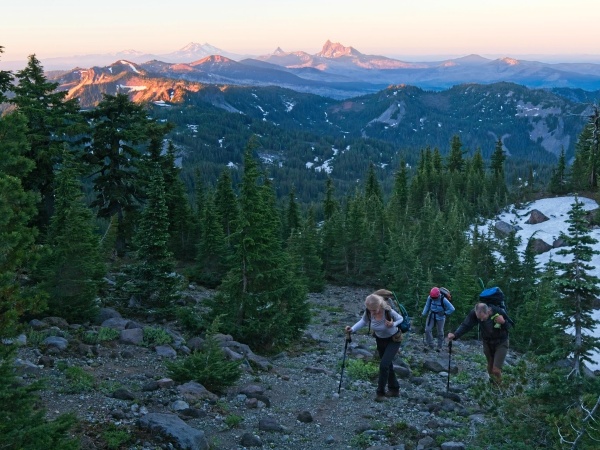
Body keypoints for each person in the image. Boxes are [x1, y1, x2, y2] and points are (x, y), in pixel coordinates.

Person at [345, 292, 404, 402]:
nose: (372, 312)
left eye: (374, 310)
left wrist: (393, 324)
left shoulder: (387, 310)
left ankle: (380, 393)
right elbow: (363, 321)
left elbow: (401, 319)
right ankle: (394, 389)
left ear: (380, 305)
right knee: (387, 365)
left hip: (394, 339)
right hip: (380, 340)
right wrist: (352, 329)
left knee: (384, 365)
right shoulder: (368, 312)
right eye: (370, 310)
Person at [447, 302, 511, 384]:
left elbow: (510, 325)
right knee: (490, 366)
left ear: (488, 312)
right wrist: (455, 335)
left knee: (496, 370)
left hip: (501, 342)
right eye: (479, 318)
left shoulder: (498, 312)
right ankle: (492, 385)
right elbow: (466, 325)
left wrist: (503, 322)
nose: (481, 320)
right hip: (487, 342)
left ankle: (500, 387)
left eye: (482, 318)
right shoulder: (474, 313)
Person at [422, 287, 455, 352]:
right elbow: (427, 305)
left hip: (440, 317)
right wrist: (423, 313)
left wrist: (445, 313)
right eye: (432, 297)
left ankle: (439, 347)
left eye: (434, 298)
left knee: (440, 332)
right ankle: (430, 345)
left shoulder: (443, 299)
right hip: (431, 315)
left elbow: (452, 308)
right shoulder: (430, 297)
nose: (433, 299)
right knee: (427, 330)